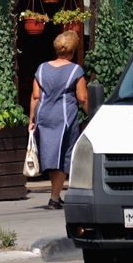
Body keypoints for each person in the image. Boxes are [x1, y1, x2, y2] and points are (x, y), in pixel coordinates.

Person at [29, 30, 89, 210]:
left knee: (52, 154)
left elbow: (35, 96)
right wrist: (93, 115)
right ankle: (54, 198)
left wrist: (31, 119)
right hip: (64, 117)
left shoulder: (41, 68)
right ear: (72, 52)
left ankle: (55, 195)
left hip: (44, 116)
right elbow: (82, 98)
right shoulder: (75, 70)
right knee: (63, 154)